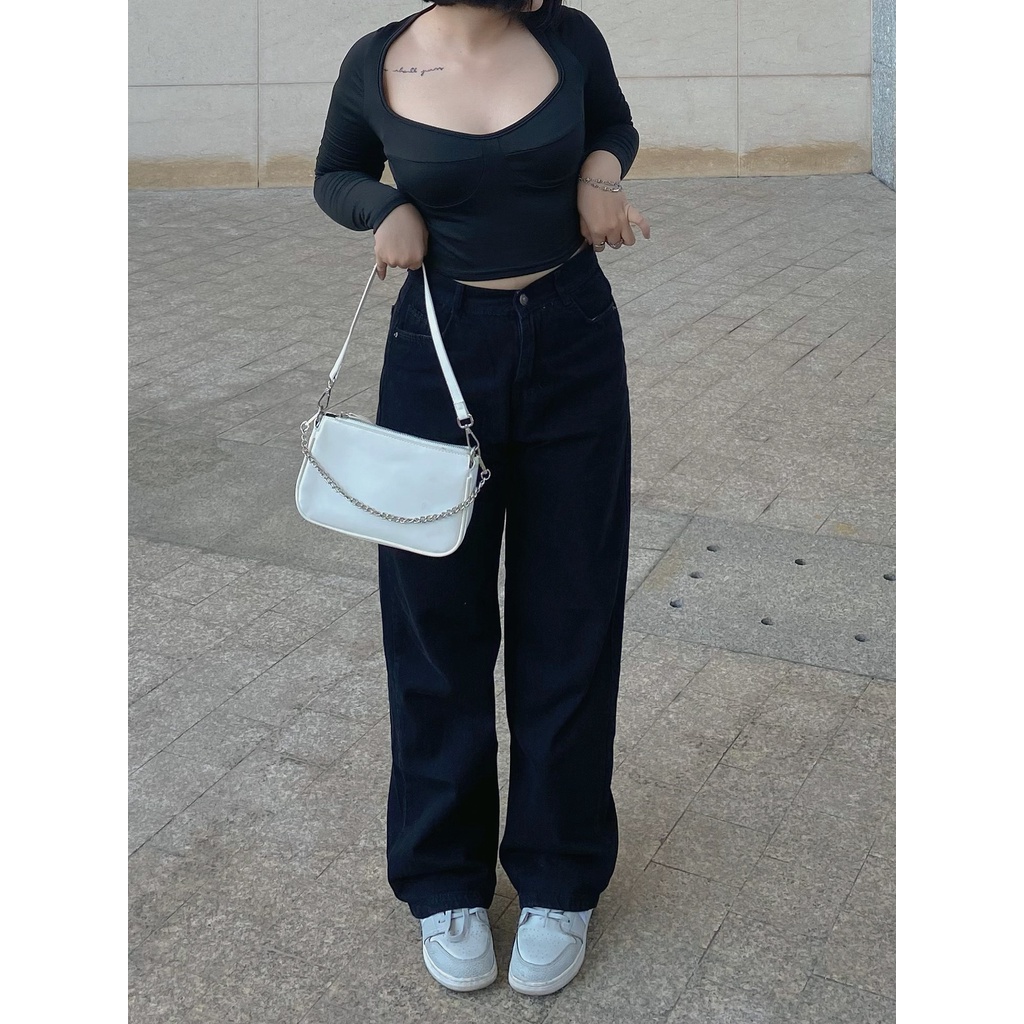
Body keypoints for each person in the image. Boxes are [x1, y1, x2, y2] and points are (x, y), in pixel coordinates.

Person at [313, 0, 651, 997]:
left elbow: (612, 123)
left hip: (572, 338)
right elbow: (334, 171)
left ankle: (559, 877)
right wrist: (385, 209)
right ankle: (443, 880)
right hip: (437, 347)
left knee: (571, 616)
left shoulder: (566, 36)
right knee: (435, 626)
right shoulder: (375, 62)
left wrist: (598, 176)